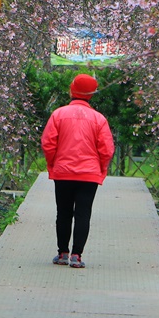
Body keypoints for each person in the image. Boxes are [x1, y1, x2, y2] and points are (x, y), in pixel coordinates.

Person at [41, 73, 115, 269]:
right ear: (91, 94)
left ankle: (62, 253)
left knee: (63, 212)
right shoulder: (99, 119)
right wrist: (100, 168)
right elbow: (106, 149)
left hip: (63, 172)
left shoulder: (58, 114)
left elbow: (48, 143)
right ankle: (76, 256)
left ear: (72, 90)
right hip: (89, 174)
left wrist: (53, 163)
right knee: (83, 214)